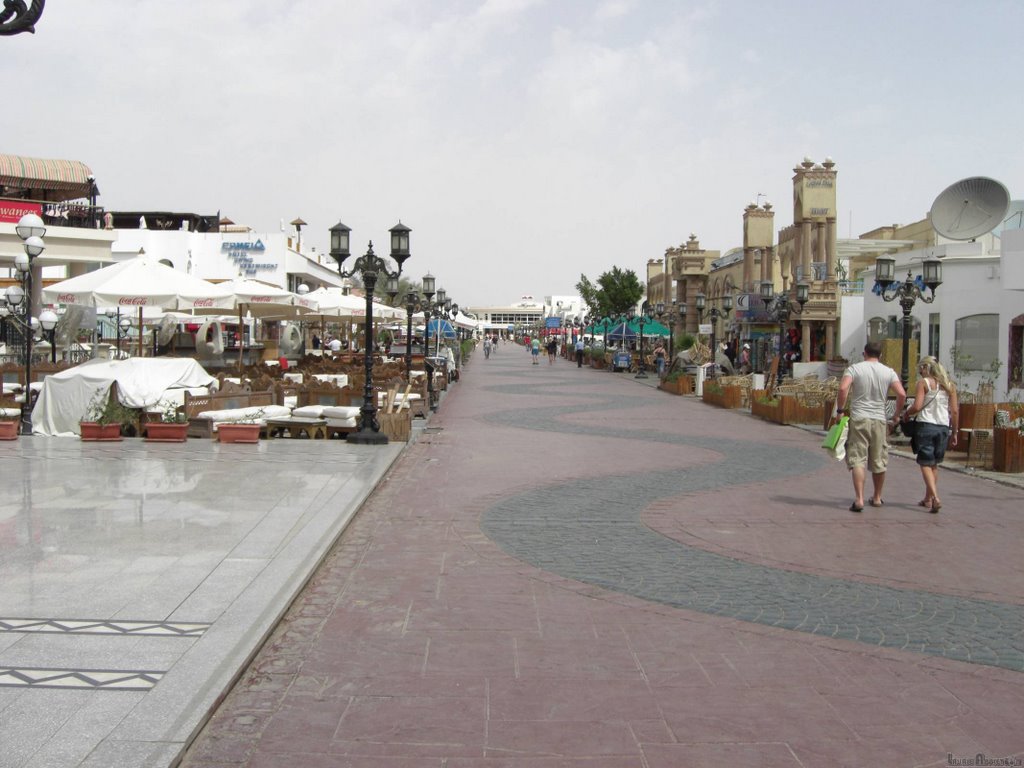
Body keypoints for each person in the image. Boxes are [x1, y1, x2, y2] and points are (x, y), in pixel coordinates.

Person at [835, 341, 906, 512]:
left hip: (859, 417)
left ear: (864, 353)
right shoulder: (888, 372)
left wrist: (840, 410)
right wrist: (896, 414)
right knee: (879, 459)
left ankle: (859, 499)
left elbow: (843, 388)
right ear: (880, 355)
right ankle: (877, 497)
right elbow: (902, 394)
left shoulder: (855, 369)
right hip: (879, 419)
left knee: (858, 458)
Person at [902, 356, 958, 512]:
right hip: (942, 427)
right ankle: (928, 499)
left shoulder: (923, 383)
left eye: (921, 368)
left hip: (926, 425)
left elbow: (918, 405)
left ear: (926, 368)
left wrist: (907, 412)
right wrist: (954, 432)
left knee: (925, 463)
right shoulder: (949, 385)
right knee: (934, 463)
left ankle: (935, 497)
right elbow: (954, 411)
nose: (920, 371)